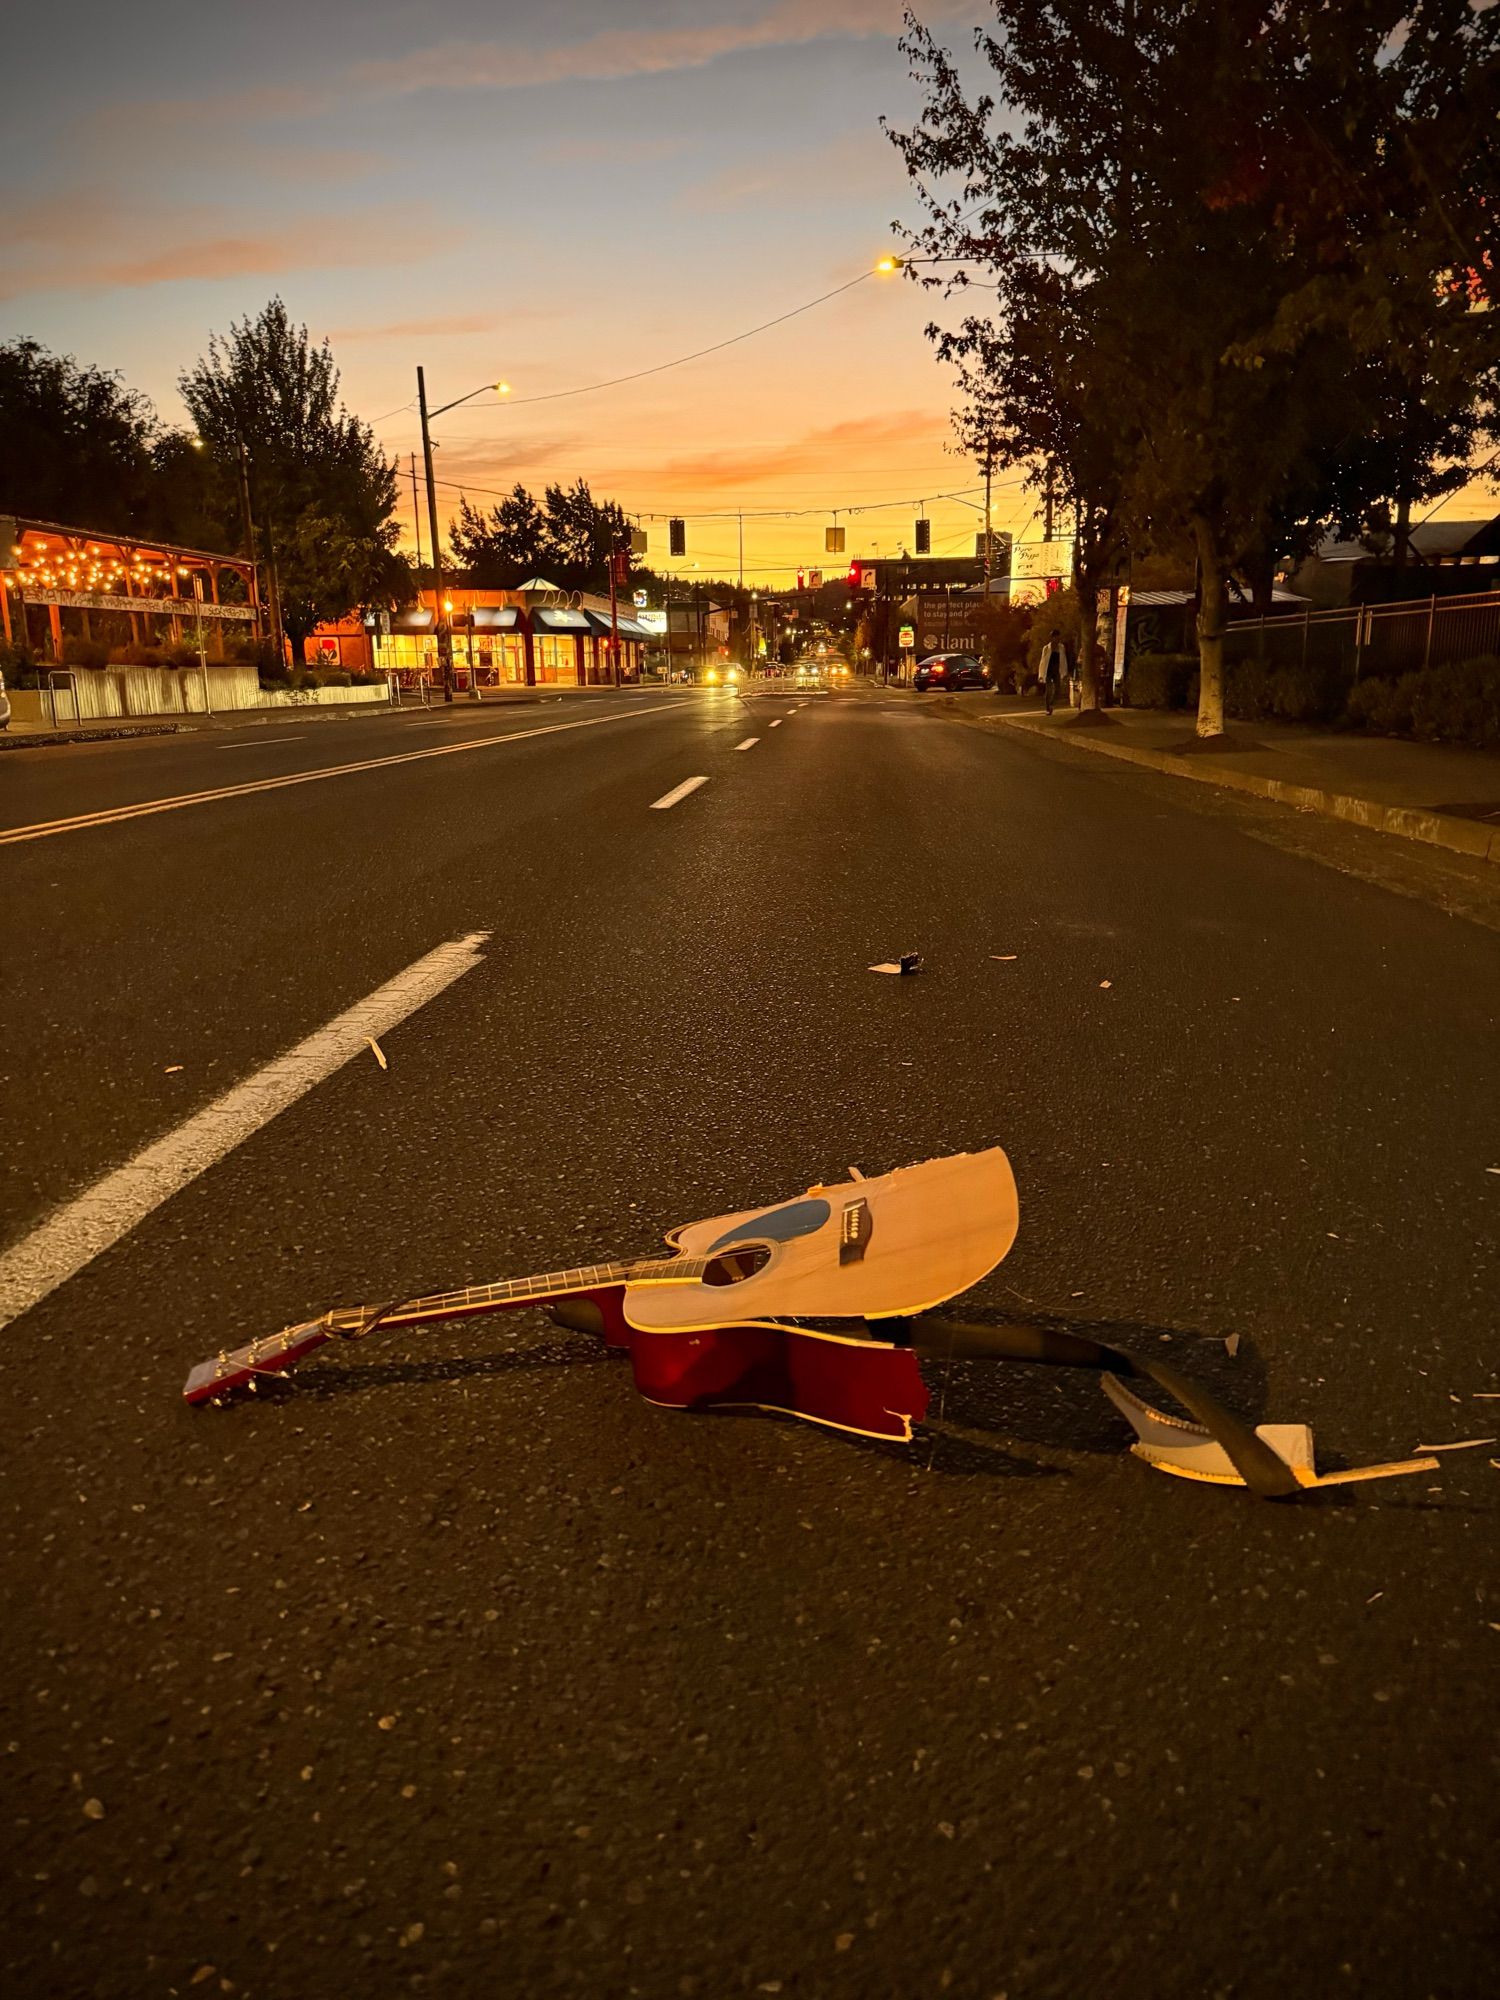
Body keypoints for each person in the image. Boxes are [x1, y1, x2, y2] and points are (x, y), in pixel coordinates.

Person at [1037, 628, 1069, 715]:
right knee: (1049, 690)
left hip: (1056, 671)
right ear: (1052, 638)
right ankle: (1048, 707)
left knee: (1058, 689)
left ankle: (1051, 704)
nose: (1057, 639)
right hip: (1048, 671)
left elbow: (1063, 660)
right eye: (1055, 637)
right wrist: (1041, 674)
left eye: (1058, 637)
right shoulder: (1046, 648)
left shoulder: (1061, 647)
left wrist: (1064, 672)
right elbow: (1043, 661)